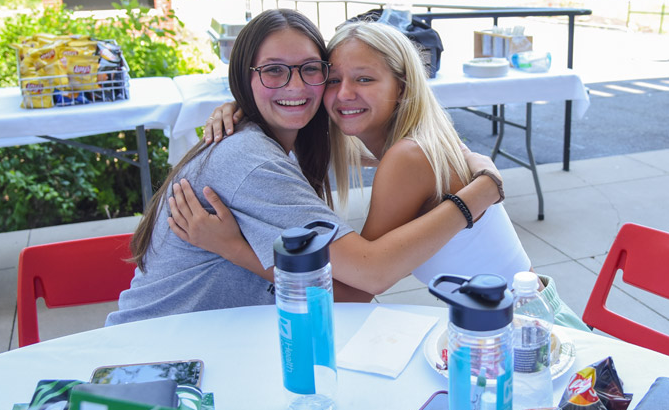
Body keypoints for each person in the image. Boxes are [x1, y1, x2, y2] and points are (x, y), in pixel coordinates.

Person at [106, 9, 502, 326]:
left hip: (504, 317)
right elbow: (366, 280)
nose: (295, 86)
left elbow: (364, 281)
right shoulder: (254, 161)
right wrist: (482, 190)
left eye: (311, 69)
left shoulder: (401, 150)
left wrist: (480, 180)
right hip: (160, 354)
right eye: (274, 70)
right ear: (245, 78)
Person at [192, 19, 588, 331]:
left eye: (365, 79)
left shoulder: (407, 157)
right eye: (332, 80)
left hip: (524, 328)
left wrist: (235, 249)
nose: (344, 93)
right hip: (520, 311)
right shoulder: (419, 141)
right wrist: (244, 106)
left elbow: (359, 289)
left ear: (401, 87)